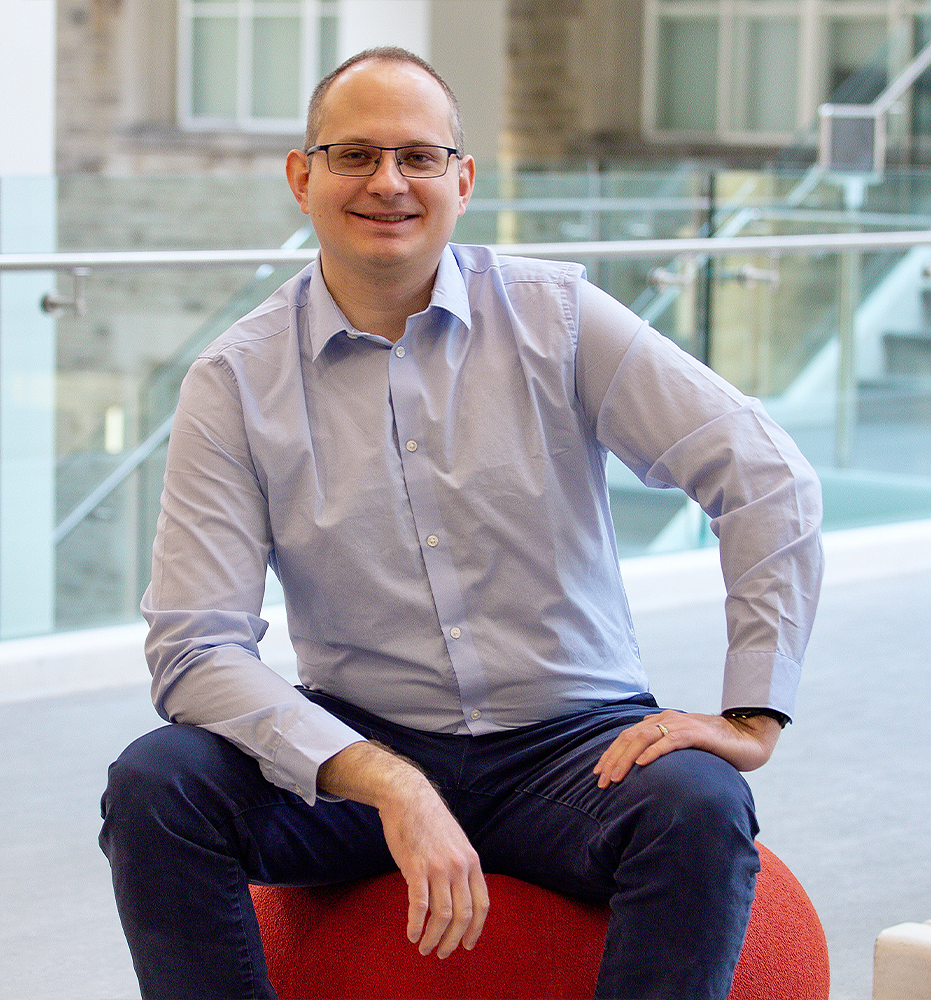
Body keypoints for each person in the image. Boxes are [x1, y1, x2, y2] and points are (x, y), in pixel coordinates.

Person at [99, 47, 823, 1000]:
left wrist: (751, 710)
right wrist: (386, 781)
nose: (388, 183)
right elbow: (194, 647)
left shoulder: (557, 318)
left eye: (419, 156)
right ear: (302, 177)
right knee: (159, 784)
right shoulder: (235, 382)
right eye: (354, 154)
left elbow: (766, 473)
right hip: (362, 746)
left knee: (700, 804)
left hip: (573, 746)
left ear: (463, 179)